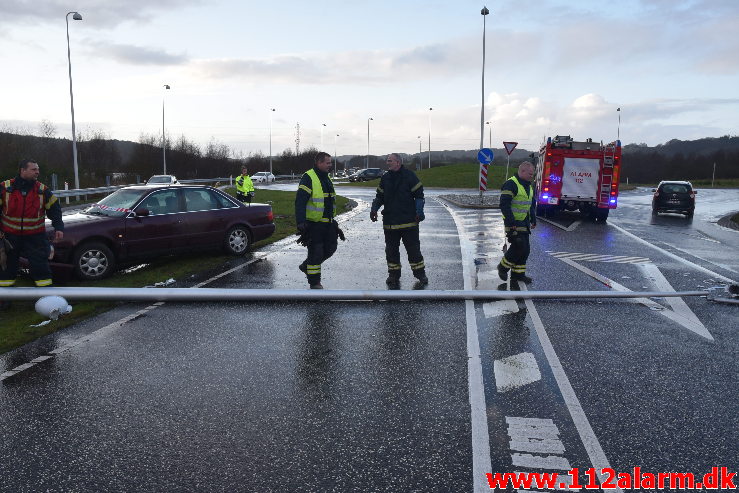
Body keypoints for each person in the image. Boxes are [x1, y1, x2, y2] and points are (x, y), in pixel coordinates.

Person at [0, 159, 64, 291]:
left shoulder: (42, 190)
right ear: (22, 170)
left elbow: (55, 210)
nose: (37, 172)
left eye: (38, 169)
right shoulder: (5, 188)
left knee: (41, 267)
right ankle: (4, 299)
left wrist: (59, 227)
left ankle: (47, 297)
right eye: (34, 169)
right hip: (9, 237)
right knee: (6, 268)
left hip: (35, 238)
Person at [370, 153, 427, 289]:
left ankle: (420, 274)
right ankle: (393, 275)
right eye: (387, 160)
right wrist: (374, 209)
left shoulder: (410, 176)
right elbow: (379, 196)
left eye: (390, 161)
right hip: (390, 223)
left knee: (413, 250)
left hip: (409, 222)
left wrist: (419, 212)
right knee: (391, 251)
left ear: (398, 162)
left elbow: (419, 196)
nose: (387, 163)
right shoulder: (385, 178)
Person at [295, 152, 344, 289]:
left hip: (328, 223)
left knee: (330, 249)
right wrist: (300, 221)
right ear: (319, 163)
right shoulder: (308, 177)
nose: (330, 165)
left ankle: (306, 266)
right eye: (328, 162)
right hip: (314, 224)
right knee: (316, 254)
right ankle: (315, 283)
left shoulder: (326, 178)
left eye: (330, 162)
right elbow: (300, 201)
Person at [498, 161, 537, 284]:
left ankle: (518, 275)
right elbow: (504, 205)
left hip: (524, 222)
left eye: (533, 174)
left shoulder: (528, 186)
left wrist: (533, 219)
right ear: (522, 171)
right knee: (518, 245)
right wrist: (510, 222)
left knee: (525, 250)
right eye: (530, 174)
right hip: (513, 222)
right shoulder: (511, 184)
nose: (532, 176)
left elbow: (530, 205)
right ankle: (502, 267)